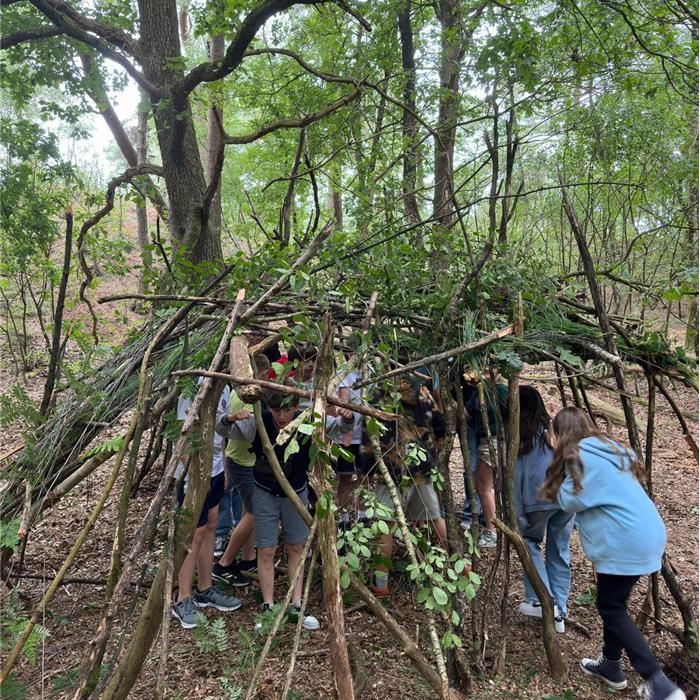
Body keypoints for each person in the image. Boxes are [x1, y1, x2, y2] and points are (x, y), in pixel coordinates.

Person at [541, 407, 685, 700]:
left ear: (560, 433)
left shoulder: (581, 456)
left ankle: (659, 683)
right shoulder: (611, 447)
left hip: (626, 539)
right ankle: (611, 664)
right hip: (646, 531)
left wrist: (553, 456)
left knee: (611, 607)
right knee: (614, 601)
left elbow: (567, 500)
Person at [216, 387, 357, 630]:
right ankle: (269, 607)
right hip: (264, 492)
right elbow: (224, 429)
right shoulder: (259, 423)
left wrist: (348, 417)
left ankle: (296, 604)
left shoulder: (307, 421)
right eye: (276, 410)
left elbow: (339, 428)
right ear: (268, 408)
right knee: (267, 549)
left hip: (296, 491)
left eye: (287, 410)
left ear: (295, 407)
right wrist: (229, 418)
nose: (282, 416)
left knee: (296, 546)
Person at [364, 374, 448, 598]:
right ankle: (453, 566)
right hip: (420, 467)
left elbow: (370, 431)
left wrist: (367, 464)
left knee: (387, 526)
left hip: (391, 468)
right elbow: (440, 424)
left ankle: (380, 582)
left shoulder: (379, 393)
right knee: (433, 518)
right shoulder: (420, 390)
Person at [171, 384, 243, 629]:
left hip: (213, 470)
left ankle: (205, 587)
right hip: (192, 474)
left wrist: (221, 464)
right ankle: (183, 596)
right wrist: (192, 472)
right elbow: (181, 433)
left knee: (211, 525)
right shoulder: (191, 388)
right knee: (194, 532)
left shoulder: (223, 386)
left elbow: (219, 430)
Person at [513, 386, 574, 634]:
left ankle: (543, 600)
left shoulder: (520, 438)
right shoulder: (552, 431)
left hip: (539, 500)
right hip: (565, 498)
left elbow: (515, 481)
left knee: (527, 540)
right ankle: (559, 609)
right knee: (559, 549)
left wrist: (517, 519)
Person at [213, 353, 271, 587]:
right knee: (255, 512)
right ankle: (224, 564)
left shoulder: (243, 395)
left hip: (243, 461)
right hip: (243, 462)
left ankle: (248, 559)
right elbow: (248, 435)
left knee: (250, 511)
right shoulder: (247, 400)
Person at [460, 371, 508, 548]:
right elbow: (464, 414)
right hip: (486, 442)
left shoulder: (503, 391)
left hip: (496, 441)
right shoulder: (479, 391)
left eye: (491, 368)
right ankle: (494, 526)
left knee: (484, 487)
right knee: (485, 486)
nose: (486, 372)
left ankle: (492, 531)